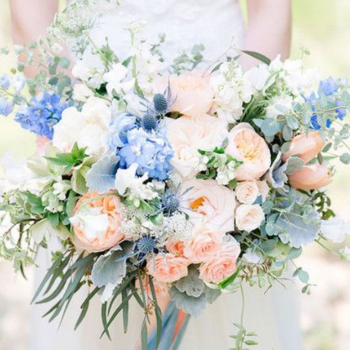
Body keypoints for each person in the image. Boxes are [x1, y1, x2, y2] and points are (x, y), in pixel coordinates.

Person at [10, 1, 303, 350]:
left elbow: (271, 7)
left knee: (223, 296)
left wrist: (239, 119)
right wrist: (79, 118)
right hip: (94, 95)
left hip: (224, 86)